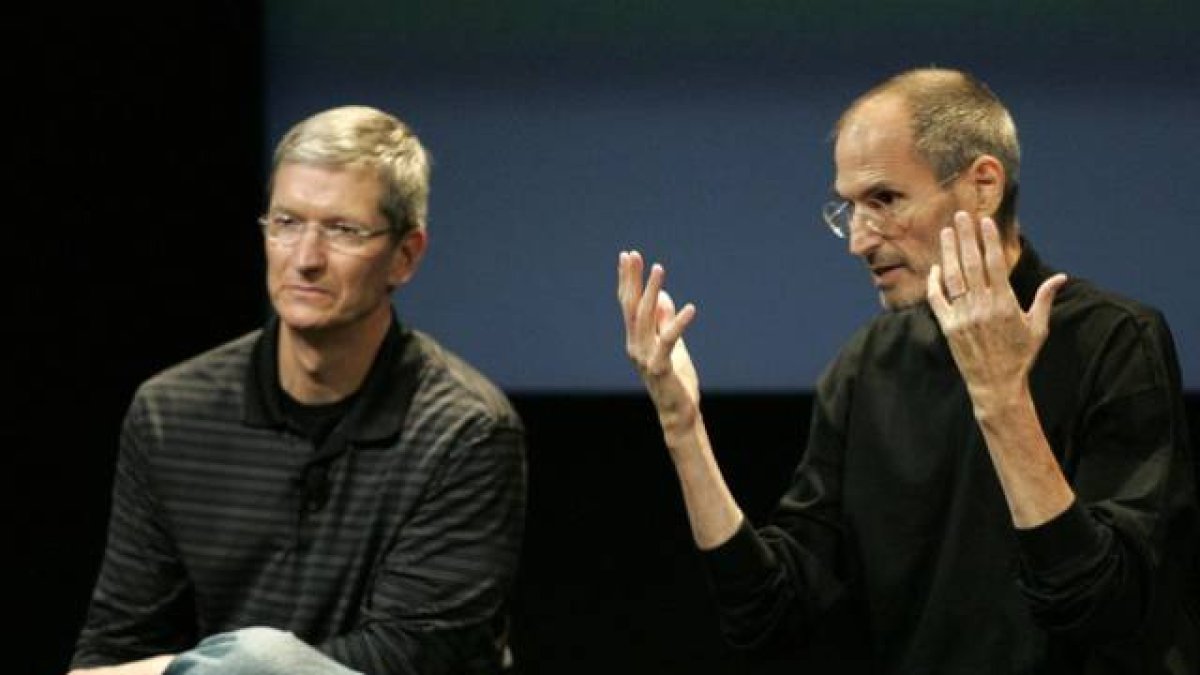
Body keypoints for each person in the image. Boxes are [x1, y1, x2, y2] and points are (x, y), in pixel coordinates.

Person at [617, 67, 1198, 673]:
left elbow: (1112, 611)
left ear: (983, 185)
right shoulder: (867, 367)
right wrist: (682, 428)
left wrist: (1004, 402)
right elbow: (773, 615)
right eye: (849, 209)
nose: (859, 241)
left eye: (884, 201)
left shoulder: (1115, 342)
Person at [70, 106, 527, 675]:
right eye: (286, 223)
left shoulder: (465, 429)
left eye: (342, 230)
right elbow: (115, 652)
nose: (305, 259)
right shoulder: (171, 413)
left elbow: (411, 659)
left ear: (405, 256)